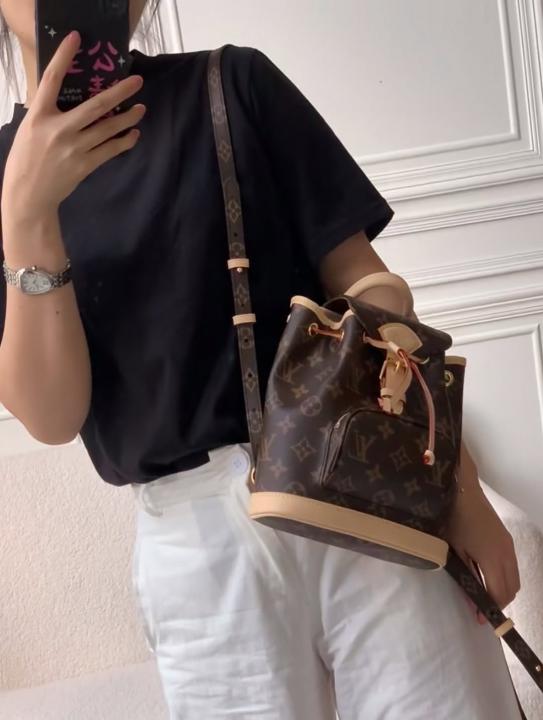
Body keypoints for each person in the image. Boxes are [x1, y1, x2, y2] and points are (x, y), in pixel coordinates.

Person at [0, 2, 523, 718]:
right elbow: (53, 416)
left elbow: (369, 286)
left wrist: (455, 483)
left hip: (358, 486)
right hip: (200, 555)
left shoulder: (232, 86)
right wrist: (28, 217)